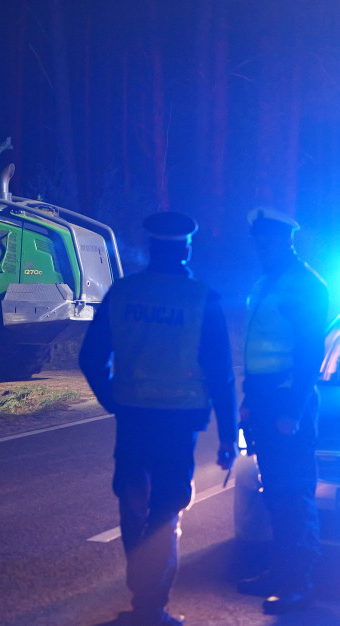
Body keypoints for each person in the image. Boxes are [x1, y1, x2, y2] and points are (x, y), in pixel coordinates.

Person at [79, 211, 238, 626]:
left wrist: (114, 400)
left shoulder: (124, 292)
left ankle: (140, 596)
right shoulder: (203, 297)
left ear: (150, 247)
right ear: (187, 248)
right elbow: (221, 374)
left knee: (133, 505)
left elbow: (90, 357)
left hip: (132, 419)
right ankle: (152, 606)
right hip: (178, 424)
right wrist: (228, 435)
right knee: (166, 510)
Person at [236, 207, 329, 615]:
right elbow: (259, 346)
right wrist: (248, 399)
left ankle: (298, 585)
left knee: (293, 493)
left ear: (283, 241)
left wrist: (290, 409)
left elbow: (310, 352)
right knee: (275, 492)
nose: (258, 246)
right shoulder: (267, 280)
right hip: (264, 397)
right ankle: (280, 572)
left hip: (287, 399)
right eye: (256, 239)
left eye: (265, 240)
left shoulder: (304, 284)